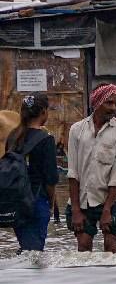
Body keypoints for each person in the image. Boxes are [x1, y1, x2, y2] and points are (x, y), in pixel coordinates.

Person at [66, 84, 116, 254]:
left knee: (111, 248)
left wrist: (107, 210)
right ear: (97, 103)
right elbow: (73, 173)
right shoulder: (76, 130)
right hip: (82, 199)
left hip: (110, 199)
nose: (114, 108)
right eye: (109, 103)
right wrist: (75, 210)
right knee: (83, 247)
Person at [7, 94, 58, 252]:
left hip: (16, 202)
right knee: (34, 254)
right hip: (36, 201)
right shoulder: (46, 140)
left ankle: (16, 274)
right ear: (43, 112)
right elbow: (50, 179)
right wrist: (51, 204)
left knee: (27, 247)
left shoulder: (13, 137)